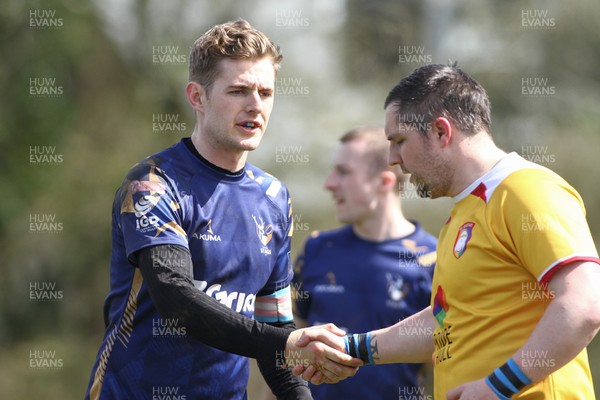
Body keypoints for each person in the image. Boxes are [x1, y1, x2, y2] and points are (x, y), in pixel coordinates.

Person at [85, 19, 360, 400]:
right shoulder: (152, 184)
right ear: (197, 97)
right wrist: (288, 341)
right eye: (239, 91)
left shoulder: (274, 198)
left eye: (266, 92)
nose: (255, 105)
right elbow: (177, 301)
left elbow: (274, 324)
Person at [295, 64, 600, 399]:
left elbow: (585, 305)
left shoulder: (527, 189)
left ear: (441, 132)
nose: (393, 158)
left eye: (399, 141)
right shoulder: (462, 214)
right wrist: (352, 348)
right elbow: (446, 322)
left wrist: (498, 386)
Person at [293, 126, 437, 399]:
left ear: (385, 182)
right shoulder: (317, 248)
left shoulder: (434, 258)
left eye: (344, 172)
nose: (330, 184)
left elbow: (445, 360)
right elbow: (291, 347)